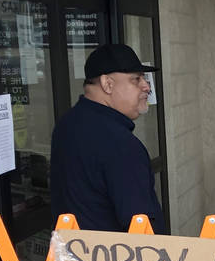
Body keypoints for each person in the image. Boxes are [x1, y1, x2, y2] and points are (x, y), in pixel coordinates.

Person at [50, 43, 163, 232]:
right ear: (107, 84)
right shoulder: (120, 143)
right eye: (136, 79)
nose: (146, 87)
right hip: (114, 258)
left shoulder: (67, 124)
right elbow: (140, 224)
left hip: (73, 254)